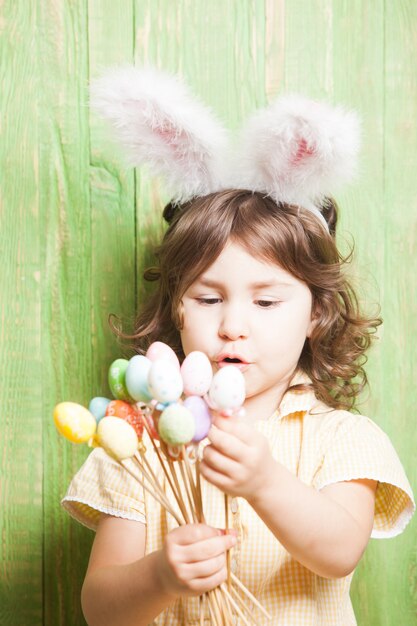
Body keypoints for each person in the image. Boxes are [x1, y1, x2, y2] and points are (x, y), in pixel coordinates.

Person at [61, 68, 415, 626]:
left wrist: (264, 481)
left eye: (266, 303)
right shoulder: (138, 441)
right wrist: (160, 577)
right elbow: (100, 610)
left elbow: (339, 552)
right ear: (176, 307)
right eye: (208, 299)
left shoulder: (343, 439)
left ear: (316, 315)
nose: (232, 326)